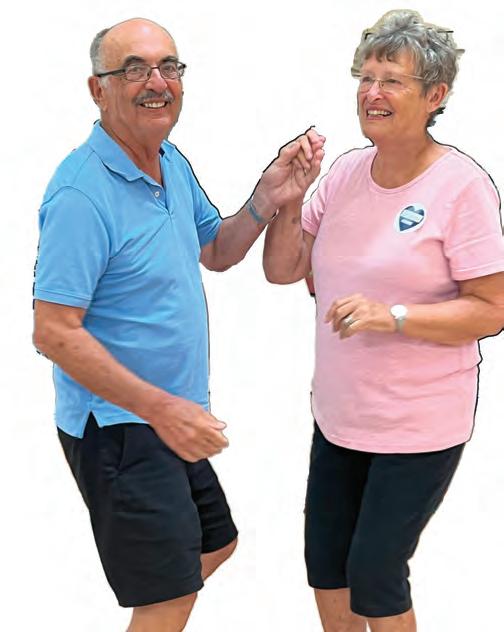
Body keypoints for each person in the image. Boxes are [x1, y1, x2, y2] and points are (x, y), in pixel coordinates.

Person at [32, 17, 324, 632]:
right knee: (168, 598)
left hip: (168, 417)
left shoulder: (169, 161)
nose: (157, 82)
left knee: (215, 544)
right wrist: (162, 410)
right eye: (134, 69)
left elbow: (216, 249)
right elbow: (53, 331)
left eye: (169, 67)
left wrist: (269, 198)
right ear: (98, 89)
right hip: (121, 428)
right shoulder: (81, 195)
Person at [263, 9, 504, 632]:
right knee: (327, 567)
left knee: (375, 572)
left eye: (392, 80)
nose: (373, 93)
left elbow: (491, 308)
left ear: (435, 95)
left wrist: (392, 316)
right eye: (366, 78)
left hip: (418, 424)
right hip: (341, 415)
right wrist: (289, 200)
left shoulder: (463, 187)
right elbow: (284, 269)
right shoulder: (345, 173)